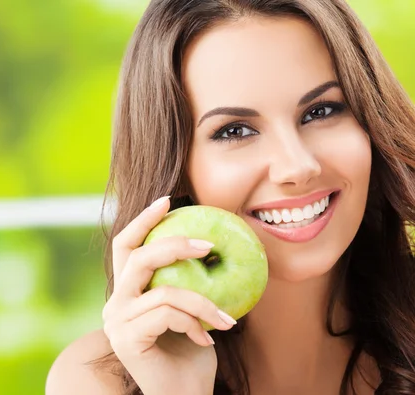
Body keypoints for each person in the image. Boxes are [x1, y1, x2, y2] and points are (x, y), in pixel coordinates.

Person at [46, 0, 415, 394]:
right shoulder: (96, 382)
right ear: (178, 167)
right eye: (235, 131)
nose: (296, 167)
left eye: (321, 110)